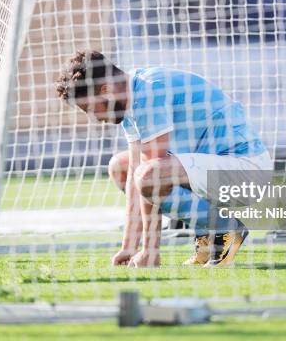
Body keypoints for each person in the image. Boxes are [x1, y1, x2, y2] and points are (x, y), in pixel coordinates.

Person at [56, 50, 272, 267]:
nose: (94, 117)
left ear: (107, 90)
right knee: (121, 168)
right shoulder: (131, 100)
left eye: (90, 108)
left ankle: (227, 229)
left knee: (150, 175)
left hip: (247, 172)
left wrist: (149, 252)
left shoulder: (150, 91)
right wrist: (129, 247)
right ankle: (210, 239)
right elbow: (134, 175)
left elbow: (151, 175)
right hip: (213, 174)